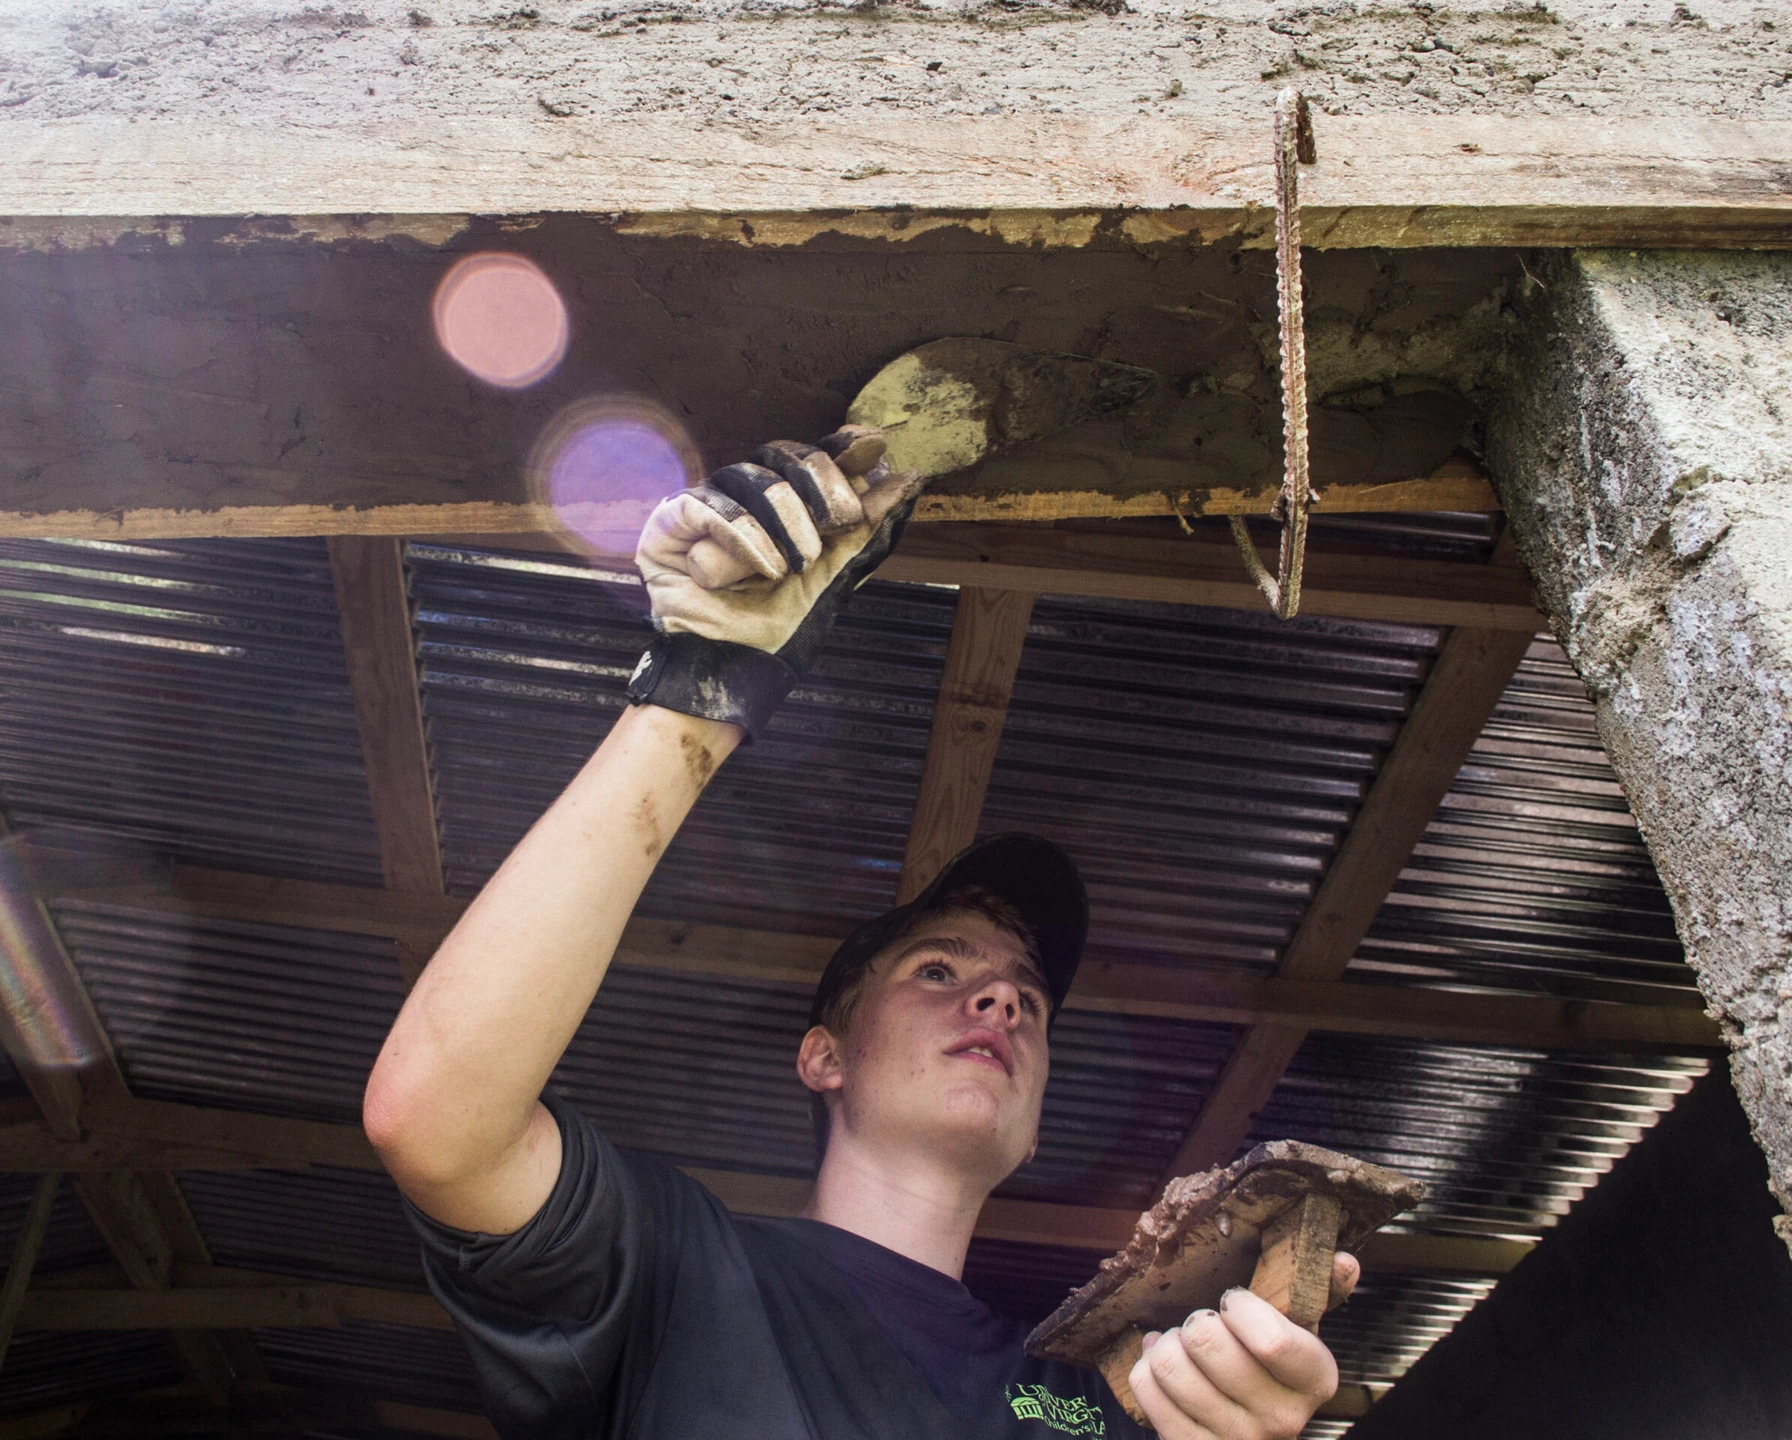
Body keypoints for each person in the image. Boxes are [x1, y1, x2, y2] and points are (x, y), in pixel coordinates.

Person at [363, 428, 1357, 1440]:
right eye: (938, 969)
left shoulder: (1080, 1407)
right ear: (823, 1056)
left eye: (1030, 996)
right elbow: (440, 1121)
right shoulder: (681, 1272)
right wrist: (699, 692)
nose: (1003, 999)